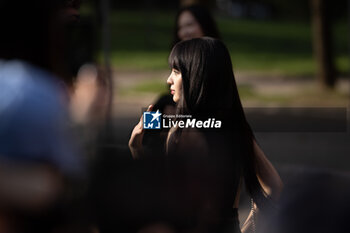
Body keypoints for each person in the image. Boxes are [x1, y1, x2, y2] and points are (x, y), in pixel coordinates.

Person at [129, 37, 283, 233]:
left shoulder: (183, 134)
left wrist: (136, 149)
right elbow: (274, 186)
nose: (169, 79)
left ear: (196, 75)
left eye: (176, 72)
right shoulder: (236, 127)